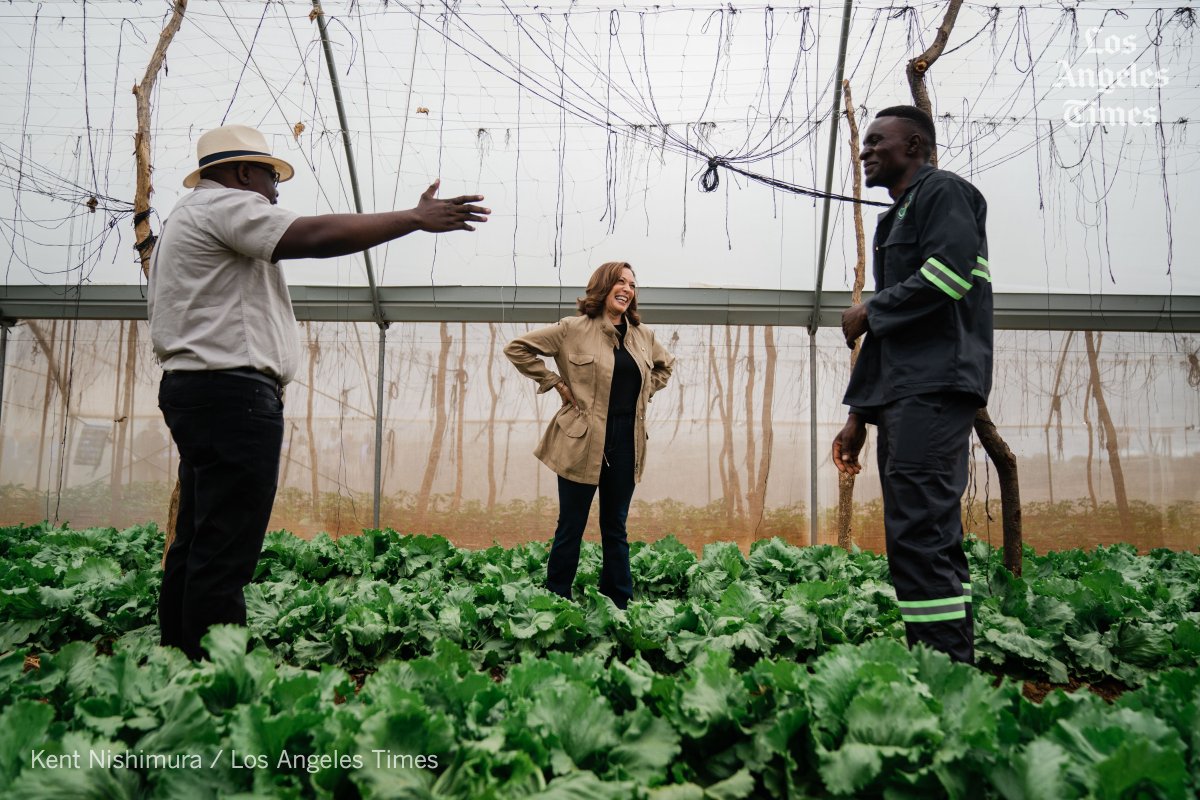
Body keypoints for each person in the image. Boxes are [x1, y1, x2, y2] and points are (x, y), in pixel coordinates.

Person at [148, 124, 489, 659]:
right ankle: (216, 678)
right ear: (243, 172)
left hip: (200, 391)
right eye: (272, 177)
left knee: (197, 539)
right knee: (225, 549)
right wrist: (413, 218)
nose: (275, 192)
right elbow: (313, 235)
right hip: (230, 395)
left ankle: (175, 661)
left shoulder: (185, 217)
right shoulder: (224, 206)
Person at [831, 105, 992, 665]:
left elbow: (949, 274)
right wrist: (858, 415)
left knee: (920, 532)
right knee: (921, 533)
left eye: (879, 141)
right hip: (905, 393)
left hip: (935, 386)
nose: (865, 150)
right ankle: (945, 665)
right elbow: (894, 330)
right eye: (866, 142)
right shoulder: (893, 219)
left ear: (915, 145)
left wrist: (871, 309)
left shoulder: (944, 193)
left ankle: (944, 672)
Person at [504, 262, 674, 609]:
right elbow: (517, 348)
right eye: (620, 281)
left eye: (632, 284)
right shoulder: (572, 329)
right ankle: (557, 600)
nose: (627, 289)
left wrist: (644, 393)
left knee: (615, 526)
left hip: (626, 440)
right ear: (603, 286)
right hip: (581, 438)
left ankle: (618, 602)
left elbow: (665, 366)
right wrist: (555, 382)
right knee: (571, 524)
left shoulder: (643, 336)